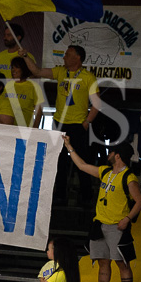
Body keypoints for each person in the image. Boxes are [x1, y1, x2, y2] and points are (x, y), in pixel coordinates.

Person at [64, 138, 141, 282]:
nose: (108, 154)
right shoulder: (106, 171)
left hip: (117, 227)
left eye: (111, 152)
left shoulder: (129, 177)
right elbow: (82, 166)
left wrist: (127, 219)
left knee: (122, 263)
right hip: (100, 225)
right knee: (103, 263)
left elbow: (139, 201)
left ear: (118, 156)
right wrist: (69, 146)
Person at [20, 45, 100, 205]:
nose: (64, 57)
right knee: (59, 161)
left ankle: (86, 197)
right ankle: (60, 195)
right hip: (59, 123)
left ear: (77, 57)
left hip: (78, 124)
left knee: (82, 161)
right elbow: (37, 71)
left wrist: (86, 122)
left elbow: (97, 104)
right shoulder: (60, 72)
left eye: (67, 54)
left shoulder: (88, 77)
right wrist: (25, 56)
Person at [8, 57, 44, 128]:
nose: (13, 70)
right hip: (7, 128)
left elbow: (39, 112)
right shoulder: (8, 85)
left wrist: (34, 129)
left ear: (23, 69)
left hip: (25, 128)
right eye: (12, 67)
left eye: (17, 67)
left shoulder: (34, 86)